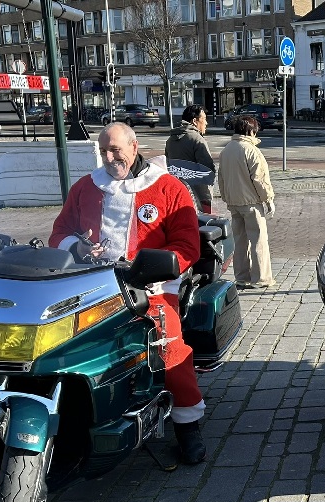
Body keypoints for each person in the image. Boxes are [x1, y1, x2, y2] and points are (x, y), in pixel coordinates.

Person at [49, 122, 209, 464]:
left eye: (115, 150)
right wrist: (76, 247)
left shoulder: (168, 189)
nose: (109, 157)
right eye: (103, 150)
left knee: (169, 348)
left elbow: (186, 245)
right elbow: (59, 232)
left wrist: (155, 268)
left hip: (152, 287)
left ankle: (187, 423)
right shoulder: (85, 188)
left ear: (134, 148)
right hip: (93, 287)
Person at [218, 115, 277, 289]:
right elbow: (259, 179)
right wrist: (268, 199)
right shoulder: (251, 150)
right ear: (251, 130)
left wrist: (226, 197)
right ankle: (261, 278)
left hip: (234, 202)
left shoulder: (227, 149)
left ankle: (242, 277)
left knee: (240, 241)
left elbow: (221, 177)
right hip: (251, 202)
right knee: (258, 239)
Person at [166, 104, 215, 214]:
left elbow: (167, 165)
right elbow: (207, 169)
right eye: (204, 119)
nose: (206, 123)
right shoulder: (197, 139)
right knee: (202, 225)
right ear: (194, 120)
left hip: (177, 191)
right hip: (199, 194)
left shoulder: (171, 140)